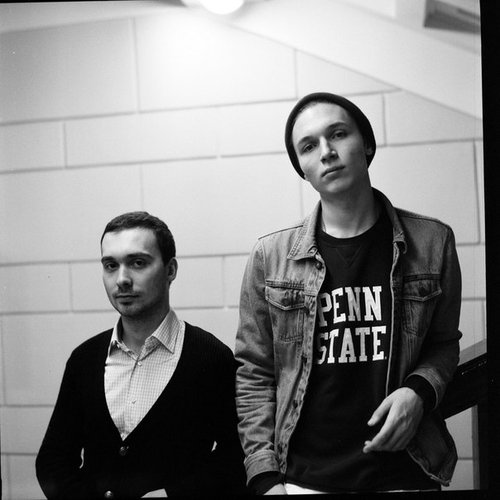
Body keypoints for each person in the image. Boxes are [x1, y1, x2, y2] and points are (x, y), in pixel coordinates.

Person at [234, 92, 462, 494]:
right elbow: (254, 373)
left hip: (404, 471)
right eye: (308, 146)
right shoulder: (270, 256)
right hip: (301, 479)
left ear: (367, 144)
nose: (326, 152)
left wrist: (419, 391)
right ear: (302, 169)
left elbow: (443, 345)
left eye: (337, 134)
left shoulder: (432, 241)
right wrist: (264, 476)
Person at [36, 211, 247, 499]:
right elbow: (53, 460)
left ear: (170, 270)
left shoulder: (211, 358)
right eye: (111, 265)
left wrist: (173, 494)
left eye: (138, 263)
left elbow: (236, 457)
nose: (122, 279)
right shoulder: (84, 359)